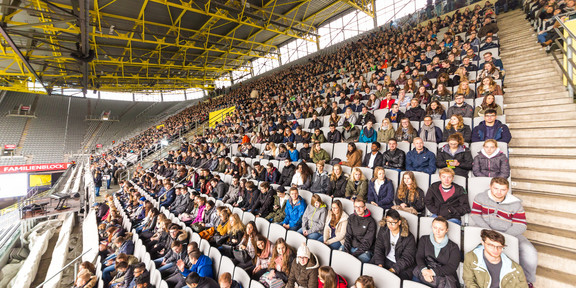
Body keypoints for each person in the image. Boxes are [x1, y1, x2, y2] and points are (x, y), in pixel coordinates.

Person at [470, 177, 537, 286]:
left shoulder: (515, 204)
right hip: (485, 230)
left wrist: (504, 237)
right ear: (490, 187)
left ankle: (527, 281)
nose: (499, 192)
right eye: (496, 188)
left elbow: (521, 225)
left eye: (503, 190)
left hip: (508, 233)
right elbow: (475, 215)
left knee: (530, 251)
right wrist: (488, 231)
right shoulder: (480, 197)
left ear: (507, 190)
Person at [463, 229, 528, 288]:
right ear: (483, 243)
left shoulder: (515, 269)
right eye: (491, 245)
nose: (495, 250)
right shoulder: (471, 257)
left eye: (499, 247)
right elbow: (469, 280)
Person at [413, 217, 460, 287]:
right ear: (432, 227)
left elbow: (452, 267)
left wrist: (432, 272)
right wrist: (424, 270)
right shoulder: (424, 239)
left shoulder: (454, 247)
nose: (437, 231)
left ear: (447, 230)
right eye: (435, 228)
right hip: (424, 271)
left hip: (443, 278)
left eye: (441, 229)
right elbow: (419, 256)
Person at [371, 209, 417, 280]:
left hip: (400, 265)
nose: (390, 225)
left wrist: (393, 269)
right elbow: (378, 247)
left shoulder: (409, 237)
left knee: (392, 281)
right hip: (385, 259)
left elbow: (407, 258)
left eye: (393, 223)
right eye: (388, 222)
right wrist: (379, 264)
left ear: (399, 222)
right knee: (371, 274)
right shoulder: (383, 230)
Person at [341, 198, 376, 263]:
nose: (358, 209)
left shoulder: (371, 222)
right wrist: (347, 252)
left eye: (360, 207)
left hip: (363, 250)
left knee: (357, 261)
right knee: (340, 253)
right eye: (356, 207)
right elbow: (348, 236)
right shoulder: (351, 218)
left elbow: (367, 243)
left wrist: (353, 255)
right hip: (352, 246)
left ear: (365, 207)